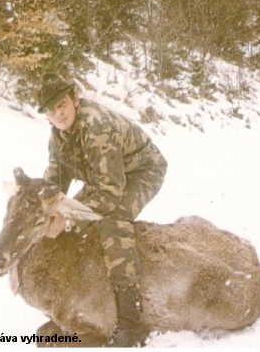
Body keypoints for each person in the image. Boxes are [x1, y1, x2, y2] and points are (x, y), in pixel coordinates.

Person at [38, 73, 168, 347]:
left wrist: (70, 219)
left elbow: (109, 194)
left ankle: (131, 321)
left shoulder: (96, 127)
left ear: (74, 98)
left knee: (112, 221)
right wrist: (47, 209)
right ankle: (77, 305)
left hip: (140, 172)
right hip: (105, 178)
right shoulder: (58, 135)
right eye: (51, 110)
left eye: (61, 104)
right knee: (75, 212)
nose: (58, 113)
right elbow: (55, 181)